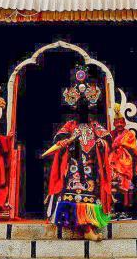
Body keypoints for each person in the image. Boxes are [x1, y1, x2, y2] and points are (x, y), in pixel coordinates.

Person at [46, 67, 112, 241]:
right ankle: (83, 227)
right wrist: (64, 142)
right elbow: (59, 138)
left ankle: (88, 226)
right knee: (73, 195)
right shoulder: (70, 125)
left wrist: (100, 143)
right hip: (73, 166)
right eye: (79, 109)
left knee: (89, 196)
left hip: (90, 167)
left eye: (86, 109)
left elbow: (108, 139)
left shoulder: (94, 125)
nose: (83, 112)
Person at [108, 105, 137, 217]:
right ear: (114, 123)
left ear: (124, 123)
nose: (119, 124)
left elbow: (132, 147)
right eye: (117, 122)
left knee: (125, 187)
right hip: (113, 162)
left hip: (125, 163)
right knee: (113, 187)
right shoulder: (111, 134)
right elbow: (108, 146)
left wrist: (120, 143)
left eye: (121, 122)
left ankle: (125, 211)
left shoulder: (129, 134)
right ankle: (114, 210)